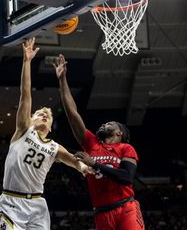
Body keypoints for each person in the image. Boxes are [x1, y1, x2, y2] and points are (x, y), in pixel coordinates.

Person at [0, 38, 92, 230]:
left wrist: (82, 167)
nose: (43, 115)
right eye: (39, 114)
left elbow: (73, 160)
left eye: (47, 116)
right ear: (31, 120)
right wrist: (27, 62)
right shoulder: (23, 130)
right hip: (12, 201)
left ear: (50, 127)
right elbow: (25, 95)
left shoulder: (54, 147)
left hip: (38, 205)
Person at [53, 54, 145, 230]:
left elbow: (126, 178)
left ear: (119, 132)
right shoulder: (92, 143)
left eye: (109, 123)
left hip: (126, 208)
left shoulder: (126, 148)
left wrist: (94, 164)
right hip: (102, 213)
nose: (104, 124)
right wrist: (62, 79)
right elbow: (72, 113)